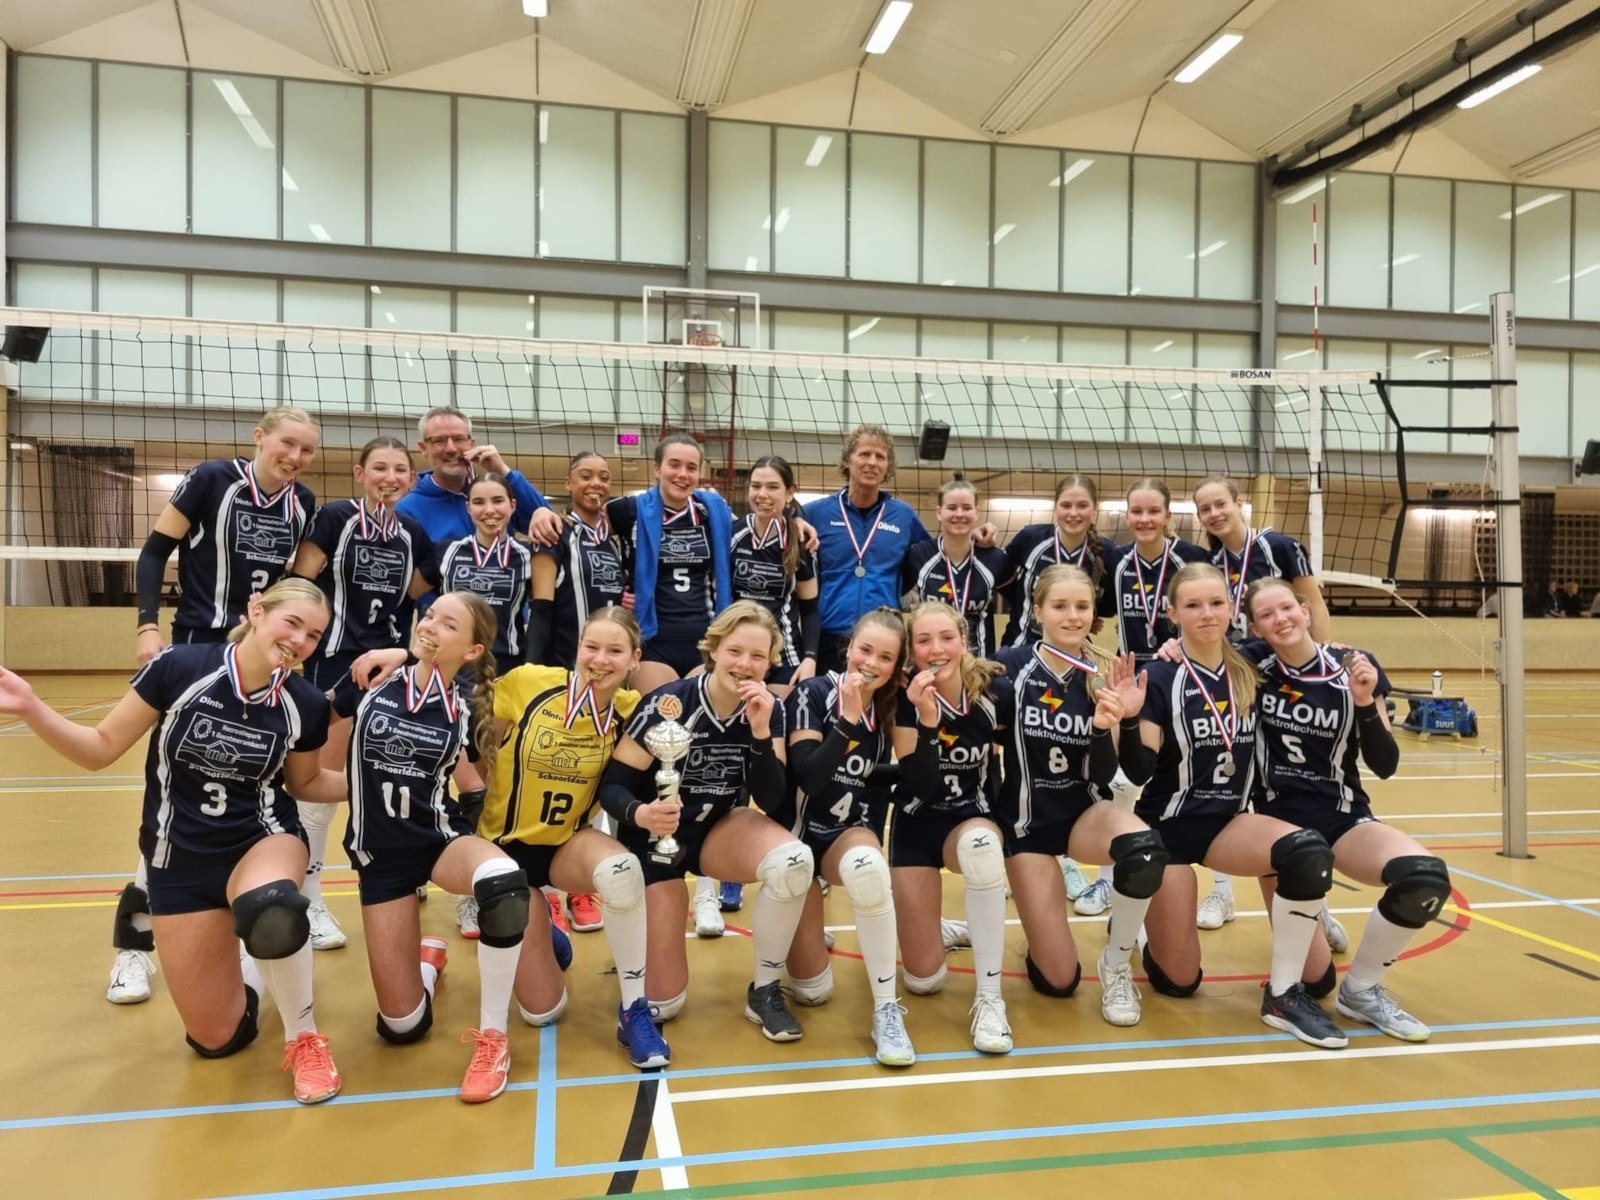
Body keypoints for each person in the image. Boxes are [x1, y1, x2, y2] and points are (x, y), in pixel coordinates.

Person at [0, 579, 345, 1103]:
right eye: (292, 623)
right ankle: (255, 966)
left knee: (272, 909)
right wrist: (30, 707)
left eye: (314, 635)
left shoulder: (305, 703)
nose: (300, 641)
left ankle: (305, 1039)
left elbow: (306, 784)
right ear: (256, 610)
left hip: (262, 840)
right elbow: (99, 748)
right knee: (216, 1039)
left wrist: (376, 780)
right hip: (178, 858)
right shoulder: (180, 668)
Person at [112, 406, 321, 1005]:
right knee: (171, 802)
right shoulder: (211, 479)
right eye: (287, 443)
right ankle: (132, 950)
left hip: (261, 656)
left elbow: (295, 589)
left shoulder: (302, 504)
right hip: (197, 653)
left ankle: (254, 921)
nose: (295, 458)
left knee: (252, 794)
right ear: (260, 437)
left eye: (306, 450)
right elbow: (155, 551)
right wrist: (148, 626)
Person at [1120, 565, 1345, 1047]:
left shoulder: (1253, 663)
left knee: (1307, 859)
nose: (1207, 614)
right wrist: (1128, 720)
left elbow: (1305, 648)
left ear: (1231, 609)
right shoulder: (1158, 674)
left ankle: (1283, 995)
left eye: (1216, 603)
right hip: (1168, 829)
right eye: (1193, 605)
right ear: (1172, 612)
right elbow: (1139, 772)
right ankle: (1143, 929)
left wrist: (1350, 658)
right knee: (1180, 982)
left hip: (1230, 823)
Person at [326, 591, 531, 1102]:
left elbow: (473, 785)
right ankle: (426, 963)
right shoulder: (373, 678)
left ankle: (493, 1037)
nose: (431, 625)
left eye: (449, 624)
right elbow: (310, 724)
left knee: (504, 884)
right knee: (402, 1026)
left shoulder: (464, 710)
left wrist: (480, 842)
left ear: (473, 650)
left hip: (437, 841)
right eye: (430, 615)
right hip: (380, 857)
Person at [1242, 576, 1448, 1042]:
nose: (1281, 619)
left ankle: (1362, 991)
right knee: (1315, 982)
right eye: (1267, 615)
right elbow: (1197, 653)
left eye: (1287, 608)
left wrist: (1365, 703)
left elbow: (1386, 765)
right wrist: (1170, 648)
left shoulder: (1354, 665)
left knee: (1425, 879)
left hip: (1343, 816)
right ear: (1256, 629)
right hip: (1278, 830)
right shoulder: (1250, 665)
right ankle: (1311, 906)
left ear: (1305, 609)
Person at [598, 601, 815, 1043]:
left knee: (793, 860)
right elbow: (613, 786)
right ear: (713, 649)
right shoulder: (668, 703)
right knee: (664, 1003)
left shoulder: (769, 708)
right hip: (655, 841)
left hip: (716, 829)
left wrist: (760, 734)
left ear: (770, 662)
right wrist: (642, 813)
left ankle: (765, 989)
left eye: (758, 656)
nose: (745, 664)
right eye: (735, 651)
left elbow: (772, 801)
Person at [479, 606, 670, 1070]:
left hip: (566, 845)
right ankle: (543, 932)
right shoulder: (529, 682)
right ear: (578, 647)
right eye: (591, 647)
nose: (600, 660)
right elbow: (480, 749)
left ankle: (634, 1009)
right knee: (543, 1011)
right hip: (503, 853)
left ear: (634, 659)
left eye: (615, 651)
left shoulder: (633, 712)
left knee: (623, 870)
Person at [987, 569, 1168, 1029]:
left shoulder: (1108, 672)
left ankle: (1116, 963)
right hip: (1026, 826)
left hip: (1085, 817)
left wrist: (1119, 723)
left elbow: (1123, 774)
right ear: (1038, 611)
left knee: (1145, 850)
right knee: (1059, 980)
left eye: (1082, 607)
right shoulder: (1009, 665)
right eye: (1060, 606)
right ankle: (1040, 932)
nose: (1072, 616)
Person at [291, 435, 438, 953]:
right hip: (334, 664)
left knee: (390, 770)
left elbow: (425, 597)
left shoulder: (412, 533)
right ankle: (308, 900)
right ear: (360, 474)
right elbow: (299, 585)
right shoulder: (335, 519)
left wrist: (417, 651)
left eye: (400, 470)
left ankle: (402, 871)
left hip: (389, 668)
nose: (390, 478)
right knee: (320, 784)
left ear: (412, 479)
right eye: (380, 468)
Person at [1191, 473, 1329, 936]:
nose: (1214, 514)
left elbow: (1312, 604)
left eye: (1220, 504)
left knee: (1287, 784)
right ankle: (1221, 892)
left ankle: (1315, 904)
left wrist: (1318, 667)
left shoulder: (1279, 546)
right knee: (1225, 781)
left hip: (1284, 677)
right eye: (1205, 509)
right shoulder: (1206, 561)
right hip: (1232, 678)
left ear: (1239, 503)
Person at [783, 607, 915, 1066]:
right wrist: (848, 720)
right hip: (797, 843)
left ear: (896, 667)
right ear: (849, 648)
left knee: (869, 870)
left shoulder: (888, 707)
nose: (871, 663)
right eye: (865, 650)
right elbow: (811, 776)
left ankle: (886, 1010)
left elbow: (867, 777)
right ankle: (805, 919)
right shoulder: (814, 692)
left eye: (885, 657)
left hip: (843, 836)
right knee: (813, 991)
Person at [890, 601, 1021, 1053]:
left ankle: (990, 999)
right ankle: (939, 929)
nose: (937, 649)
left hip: (970, 817)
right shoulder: (902, 697)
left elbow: (1014, 759)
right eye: (923, 641)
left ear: (964, 641)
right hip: (916, 822)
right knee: (923, 981)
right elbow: (919, 785)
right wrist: (928, 721)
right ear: (911, 651)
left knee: (982, 847)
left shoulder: (994, 691)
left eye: (947, 637)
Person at [1098, 477, 1215, 930]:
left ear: (1168, 516)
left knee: (1207, 779)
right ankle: (1109, 879)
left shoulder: (1191, 558)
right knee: (1122, 781)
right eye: (1137, 511)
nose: (1144, 519)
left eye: (1153, 512)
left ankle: (1221, 893)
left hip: (1183, 679)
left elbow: (1209, 612)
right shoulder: (1116, 560)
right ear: (1127, 515)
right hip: (1132, 683)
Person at [523, 449, 631, 936]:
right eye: (585, 475)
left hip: (610, 678)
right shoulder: (554, 534)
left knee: (599, 776)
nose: (596, 483)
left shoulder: (616, 539)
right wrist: (537, 673)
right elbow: (542, 609)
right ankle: (548, 888)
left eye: (604, 477)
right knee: (556, 778)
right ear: (568, 482)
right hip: (564, 676)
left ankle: (584, 883)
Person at [604, 433, 736, 687]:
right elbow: (584, 534)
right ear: (657, 468)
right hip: (652, 640)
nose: (682, 474)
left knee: (699, 713)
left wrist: (794, 518)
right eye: (674, 465)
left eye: (691, 468)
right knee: (659, 711)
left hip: (706, 639)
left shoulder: (713, 512)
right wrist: (615, 587)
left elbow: (756, 529)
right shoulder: (628, 510)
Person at [804, 424, 931, 675]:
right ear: (847, 460)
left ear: (887, 466)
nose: (872, 462)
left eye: (880, 457)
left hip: (883, 638)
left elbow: (934, 555)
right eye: (864, 454)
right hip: (828, 637)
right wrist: (793, 517)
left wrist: (973, 537)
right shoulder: (815, 513)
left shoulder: (903, 516)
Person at [397, 406, 561, 548]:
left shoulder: (497, 495)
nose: (451, 448)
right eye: (439, 441)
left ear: (471, 443)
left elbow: (551, 531)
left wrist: (504, 472)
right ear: (423, 448)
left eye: (459, 439)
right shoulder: (407, 510)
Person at [1000, 473, 1120, 649]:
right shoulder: (1030, 539)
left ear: (1095, 509)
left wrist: (1090, 613)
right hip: (1021, 649)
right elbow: (1002, 580)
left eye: (1082, 506)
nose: (1073, 513)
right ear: (1055, 507)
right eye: (1066, 505)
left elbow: (1109, 603)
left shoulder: (1106, 553)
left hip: (1072, 654)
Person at [730, 455, 820, 691]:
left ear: (789, 493)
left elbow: (810, 610)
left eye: (772, 487)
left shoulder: (800, 541)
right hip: (740, 652)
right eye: (756, 486)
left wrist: (810, 658)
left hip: (784, 653)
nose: (762, 494)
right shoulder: (732, 534)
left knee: (775, 713)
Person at [902, 477, 1013, 657]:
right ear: (939, 512)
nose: (959, 514)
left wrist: (1009, 647)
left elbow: (1020, 601)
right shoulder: (919, 555)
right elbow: (894, 592)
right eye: (952, 508)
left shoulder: (995, 559)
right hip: (932, 658)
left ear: (977, 512)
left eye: (967, 508)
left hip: (979, 662)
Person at [436, 473, 535, 675]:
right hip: (454, 663)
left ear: (512, 506)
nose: (489, 510)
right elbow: (414, 593)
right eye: (479, 502)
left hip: (508, 664)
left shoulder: (529, 554)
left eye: (498, 501)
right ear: (468, 508)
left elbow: (543, 612)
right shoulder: (447, 550)